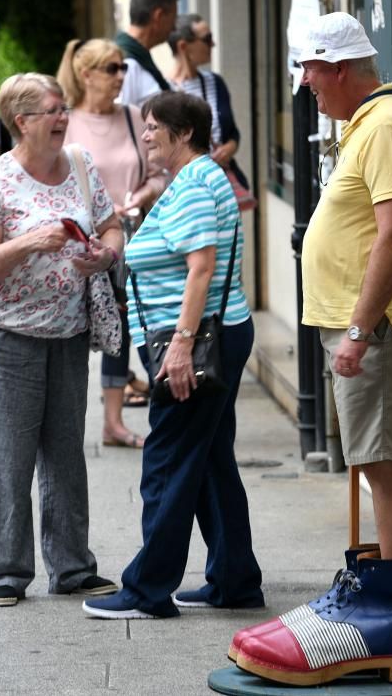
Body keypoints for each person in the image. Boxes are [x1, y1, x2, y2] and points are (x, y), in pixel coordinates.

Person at [230, 13, 392, 686]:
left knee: (382, 463)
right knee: (375, 463)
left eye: (311, 70)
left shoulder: (384, 128)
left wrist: (357, 329)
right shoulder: (369, 125)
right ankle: (381, 599)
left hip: (376, 328)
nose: (303, 85)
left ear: (344, 68)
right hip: (364, 325)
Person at [82, 91, 263, 620]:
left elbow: (201, 267)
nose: (144, 136)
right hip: (216, 334)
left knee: (167, 462)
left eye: (153, 127)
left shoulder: (194, 185)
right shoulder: (198, 179)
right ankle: (234, 579)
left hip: (195, 342)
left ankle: (147, 590)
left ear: (183, 134)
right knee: (208, 460)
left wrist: (182, 344)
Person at [0, 72, 124, 607]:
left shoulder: (79, 164)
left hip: (69, 333)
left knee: (65, 455)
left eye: (63, 108)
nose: (63, 117)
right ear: (22, 121)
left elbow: (111, 224)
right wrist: (29, 242)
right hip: (7, 338)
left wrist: (106, 252)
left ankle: (73, 568)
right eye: (52, 110)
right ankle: (3, 573)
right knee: (7, 457)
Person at [57, 38, 168, 448]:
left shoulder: (133, 118)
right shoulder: (66, 122)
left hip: (136, 233)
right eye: (111, 69)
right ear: (86, 75)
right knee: (82, 327)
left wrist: (143, 194)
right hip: (84, 240)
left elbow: (159, 172)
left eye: (122, 67)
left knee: (126, 322)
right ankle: (65, 421)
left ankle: (114, 422)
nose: (121, 76)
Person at [167, 14, 251, 197]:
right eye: (207, 39)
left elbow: (233, 132)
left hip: (218, 185)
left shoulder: (215, 82)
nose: (213, 44)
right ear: (183, 46)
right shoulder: (165, 91)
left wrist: (229, 148)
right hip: (184, 191)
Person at [115, 0, 177, 108]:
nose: (174, 28)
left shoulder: (139, 55)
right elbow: (119, 119)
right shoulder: (126, 64)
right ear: (159, 16)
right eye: (173, 19)